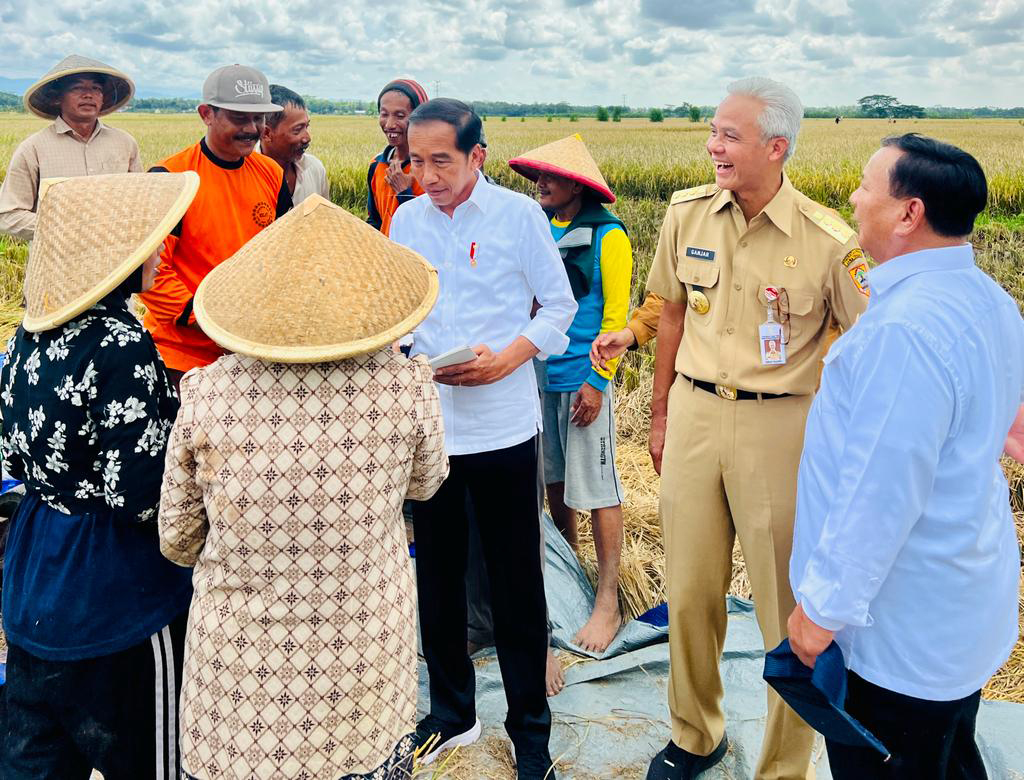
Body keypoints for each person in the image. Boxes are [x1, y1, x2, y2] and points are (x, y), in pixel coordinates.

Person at [158, 194, 449, 780]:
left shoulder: (208, 392)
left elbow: (178, 538)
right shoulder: (408, 385)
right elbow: (425, 483)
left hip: (239, 688)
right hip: (363, 663)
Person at [643, 77, 869, 780]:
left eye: (729, 136)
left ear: (777, 147)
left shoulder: (831, 241)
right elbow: (671, 316)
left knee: (784, 608)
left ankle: (781, 766)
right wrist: (659, 414)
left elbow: (869, 346)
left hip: (782, 430)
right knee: (688, 592)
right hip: (695, 415)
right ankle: (695, 735)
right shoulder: (686, 216)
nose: (713, 147)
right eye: (713, 132)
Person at [788, 134, 1024, 778]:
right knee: (948, 753)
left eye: (867, 185)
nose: (854, 198)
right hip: (962, 601)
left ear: (908, 213)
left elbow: (880, 496)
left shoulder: (902, 333)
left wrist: (819, 613)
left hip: (902, 631)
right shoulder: (990, 301)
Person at [389, 98, 576, 779]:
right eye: (417, 161)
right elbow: (399, 310)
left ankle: (530, 735)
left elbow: (559, 306)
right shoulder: (406, 221)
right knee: (435, 578)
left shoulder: (518, 217)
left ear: (477, 157)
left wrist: (508, 357)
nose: (428, 175)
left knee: (516, 583)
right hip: (433, 428)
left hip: (501, 427)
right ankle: (452, 714)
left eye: (443, 160)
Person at [0, 171, 199, 779]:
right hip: (114, 591)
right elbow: (139, 494)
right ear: (118, 255)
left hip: (35, 577)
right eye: (154, 239)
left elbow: (11, 457)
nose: (164, 249)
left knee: (35, 761)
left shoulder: (28, 332)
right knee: (153, 759)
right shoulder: (119, 341)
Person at [508, 133, 632, 653]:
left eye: (553, 177)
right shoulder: (540, 227)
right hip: (540, 375)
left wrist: (597, 383)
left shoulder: (610, 237)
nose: (541, 184)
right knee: (554, 483)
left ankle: (608, 599)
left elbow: (615, 318)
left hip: (584, 379)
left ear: (578, 187)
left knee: (597, 487)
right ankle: (573, 575)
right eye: (538, 175)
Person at [140, 64, 290, 385]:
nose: (252, 128)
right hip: (183, 357)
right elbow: (150, 273)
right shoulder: (172, 179)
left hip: (252, 352)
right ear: (207, 113)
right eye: (239, 118)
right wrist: (205, 319)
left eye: (259, 118)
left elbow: (285, 253)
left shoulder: (271, 174)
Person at [0, 55, 140, 241]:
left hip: (116, 257)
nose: (88, 94)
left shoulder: (125, 143)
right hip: (56, 262)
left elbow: (140, 203)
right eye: (77, 88)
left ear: (102, 98)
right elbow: (8, 215)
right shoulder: (33, 148)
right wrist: (66, 229)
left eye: (96, 88)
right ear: (57, 98)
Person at [366, 78, 428, 236]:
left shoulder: (431, 169)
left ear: (420, 118)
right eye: (384, 114)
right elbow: (375, 220)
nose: (389, 124)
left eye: (400, 116)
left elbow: (434, 231)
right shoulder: (376, 166)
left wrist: (404, 192)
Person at [259, 84, 329, 203]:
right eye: (297, 130)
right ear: (266, 133)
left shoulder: (315, 169)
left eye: (307, 126)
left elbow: (325, 218)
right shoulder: (243, 174)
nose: (307, 138)